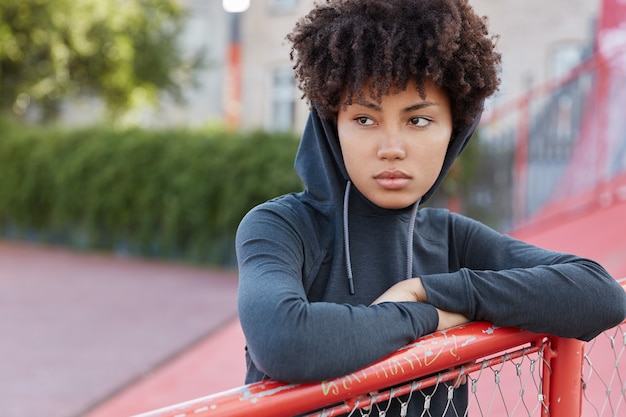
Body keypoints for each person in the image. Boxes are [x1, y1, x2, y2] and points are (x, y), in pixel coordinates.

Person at [235, 0, 626, 415]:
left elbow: (600, 295)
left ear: (454, 130)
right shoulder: (281, 227)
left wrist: (427, 289)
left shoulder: (451, 239)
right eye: (364, 120)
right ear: (332, 125)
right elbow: (286, 342)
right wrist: (425, 315)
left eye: (417, 120)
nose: (391, 149)